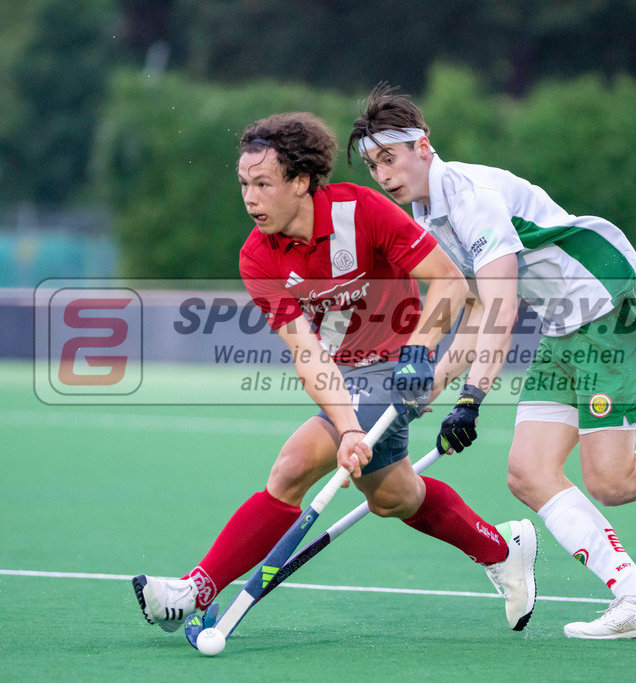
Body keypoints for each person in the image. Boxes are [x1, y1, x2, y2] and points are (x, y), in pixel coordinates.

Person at [348, 85, 636, 640]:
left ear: (422, 146)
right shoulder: (431, 219)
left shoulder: (471, 195)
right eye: (372, 165)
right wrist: (426, 394)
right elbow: (475, 312)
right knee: (528, 472)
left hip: (605, 311)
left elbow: (500, 307)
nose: (382, 174)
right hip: (560, 326)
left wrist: (472, 400)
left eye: (390, 158)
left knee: (613, 481)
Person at [132, 112, 538, 635]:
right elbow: (307, 353)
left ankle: (196, 589)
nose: (250, 198)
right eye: (244, 185)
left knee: (293, 465)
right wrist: (347, 427)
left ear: (300, 182)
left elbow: (450, 282)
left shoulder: (361, 208)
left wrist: (420, 352)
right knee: (394, 497)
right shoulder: (258, 258)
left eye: (263, 184)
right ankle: (501, 548)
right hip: (341, 376)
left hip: (396, 368)